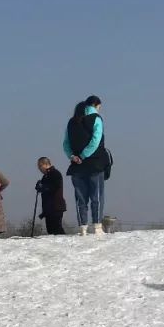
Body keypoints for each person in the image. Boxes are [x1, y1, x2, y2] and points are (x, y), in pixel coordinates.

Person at [64, 96, 108, 235]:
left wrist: (73, 156)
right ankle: (97, 226)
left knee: (80, 198)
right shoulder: (96, 119)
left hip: (76, 166)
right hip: (95, 164)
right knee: (97, 196)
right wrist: (83, 155)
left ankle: (83, 227)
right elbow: (96, 140)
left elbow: (66, 143)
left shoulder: (71, 122)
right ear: (96, 105)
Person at [35, 157, 66, 234]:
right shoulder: (45, 176)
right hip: (48, 208)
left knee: (57, 230)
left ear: (45, 164)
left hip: (55, 206)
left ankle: (64, 244)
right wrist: (39, 187)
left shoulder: (55, 173)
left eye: (40, 166)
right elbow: (43, 189)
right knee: (51, 231)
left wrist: (43, 187)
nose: (39, 169)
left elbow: (55, 186)